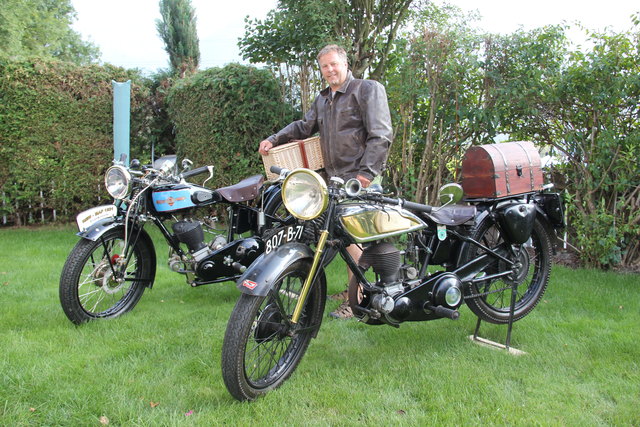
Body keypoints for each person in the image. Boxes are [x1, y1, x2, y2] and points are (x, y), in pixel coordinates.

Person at [258, 44, 393, 319]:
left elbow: (381, 134)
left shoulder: (366, 89)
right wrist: (274, 139)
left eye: (334, 64)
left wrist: (366, 174)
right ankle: (351, 289)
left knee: (354, 237)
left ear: (345, 64)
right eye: (324, 66)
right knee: (340, 237)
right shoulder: (323, 99)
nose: (330, 70)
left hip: (359, 179)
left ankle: (357, 302)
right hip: (333, 180)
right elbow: (303, 126)